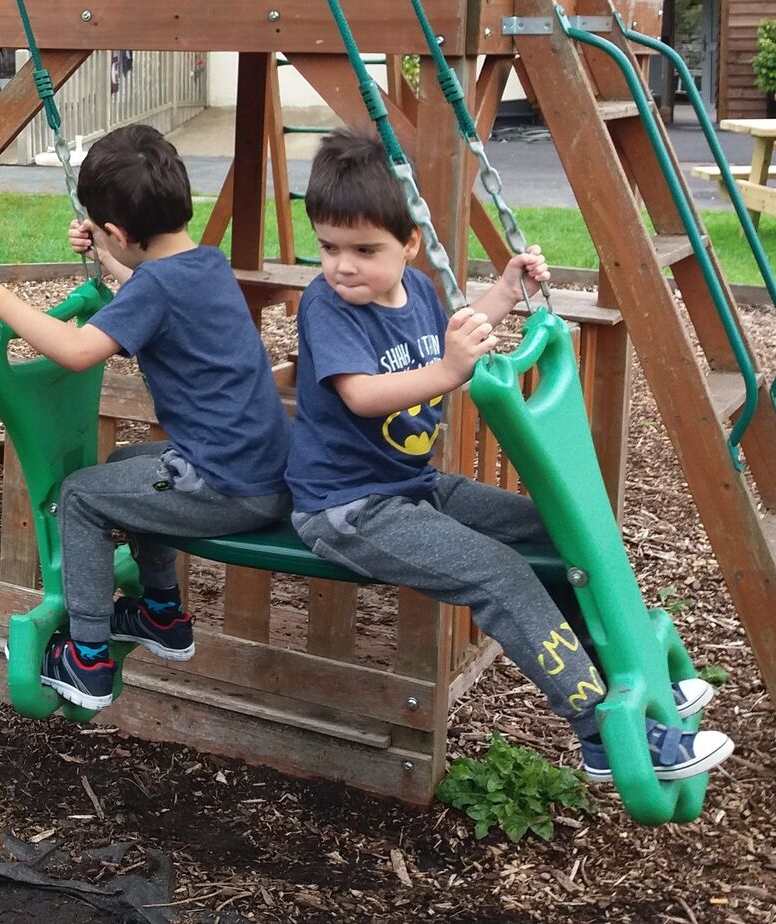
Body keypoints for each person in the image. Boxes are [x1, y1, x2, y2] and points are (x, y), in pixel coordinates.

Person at [289, 127, 732, 782]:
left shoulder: (420, 292)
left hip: (413, 485)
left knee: (554, 529)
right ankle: (605, 733)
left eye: (363, 249)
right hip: (348, 507)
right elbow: (360, 396)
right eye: (329, 247)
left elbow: (460, 332)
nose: (342, 266)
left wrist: (504, 291)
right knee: (499, 573)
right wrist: (448, 371)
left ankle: (613, 666)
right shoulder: (328, 306)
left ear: (410, 244)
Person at [0, 123, 289, 711]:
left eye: (106, 234)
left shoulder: (156, 289)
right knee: (128, 463)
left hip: (227, 486)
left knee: (81, 495)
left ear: (120, 230)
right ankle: (161, 613)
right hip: (263, 472)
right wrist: (109, 257)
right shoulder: (206, 264)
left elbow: (78, 351)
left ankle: (87, 660)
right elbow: (151, 291)